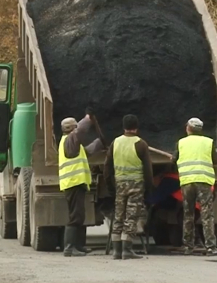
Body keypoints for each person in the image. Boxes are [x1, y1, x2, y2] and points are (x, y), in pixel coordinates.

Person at [103, 114, 153, 260]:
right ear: (136, 128)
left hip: (119, 184)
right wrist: (149, 188)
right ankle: (127, 250)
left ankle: (116, 251)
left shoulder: (115, 143)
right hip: (136, 186)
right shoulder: (141, 144)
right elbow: (148, 170)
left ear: (123, 127)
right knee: (131, 216)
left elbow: (107, 167)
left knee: (118, 215)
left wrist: (110, 186)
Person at [172, 117, 217, 256]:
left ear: (188, 128)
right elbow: (216, 160)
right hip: (204, 181)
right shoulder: (208, 142)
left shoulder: (181, 143)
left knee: (188, 214)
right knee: (207, 214)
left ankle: (188, 246)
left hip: (187, 182)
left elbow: (173, 161)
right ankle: (211, 247)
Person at [59, 108, 104, 257]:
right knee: (75, 216)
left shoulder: (73, 145)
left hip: (77, 183)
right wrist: (87, 118)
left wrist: (99, 143)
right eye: (75, 127)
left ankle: (79, 245)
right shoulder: (69, 140)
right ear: (72, 129)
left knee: (80, 215)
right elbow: (80, 132)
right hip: (72, 183)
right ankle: (69, 248)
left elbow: (87, 151)